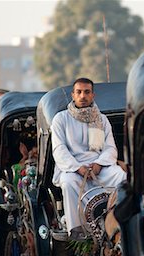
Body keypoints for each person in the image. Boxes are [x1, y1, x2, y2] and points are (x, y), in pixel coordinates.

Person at [51, 78, 126, 240]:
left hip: (100, 168)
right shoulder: (61, 119)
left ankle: (121, 225)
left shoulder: (101, 119)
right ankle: (77, 231)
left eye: (87, 92)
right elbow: (59, 149)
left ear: (93, 95)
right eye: (79, 92)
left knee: (122, 177)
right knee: (68, 182)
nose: (82, 96)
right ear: (73, 95)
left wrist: (99, 164)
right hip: (72, 169)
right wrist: (78, 167)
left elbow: (110, 148)